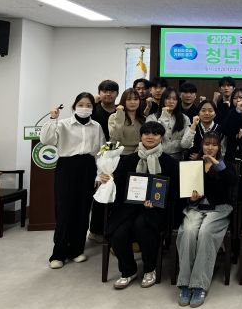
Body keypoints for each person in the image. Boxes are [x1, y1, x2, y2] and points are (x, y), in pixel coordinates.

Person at [104, 121, 178, 290]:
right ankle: (128, 271)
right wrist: (108, 180)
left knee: (142, 226)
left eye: (155, 134)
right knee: (118, 232)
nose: (150, 137)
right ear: (141, 136)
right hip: (129, 208)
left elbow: (174, 192)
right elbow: (119, 186)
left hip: (157, 210)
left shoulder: (170, 163)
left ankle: (149, 269)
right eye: (146, 133)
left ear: (161, 138)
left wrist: (157, 202)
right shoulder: (128, 160)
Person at [40, 92, 105, 269]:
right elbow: (46, 140)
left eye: (89, 105)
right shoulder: (63, 124)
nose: (85, 108)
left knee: (83, 210)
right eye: (81, 104)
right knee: (64, 210)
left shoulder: (96, 126)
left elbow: (101, 151)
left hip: (88, 168)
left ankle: (76, 250)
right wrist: (53, 119)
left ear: (93, 108)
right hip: (67, 167)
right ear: (74, 106)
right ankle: (58, 254)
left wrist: (99, 174)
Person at [176, 132, 238, 307]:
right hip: (196, 208)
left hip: (218, 210)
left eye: (214, 145)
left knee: (205, 232)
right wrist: (192, 199)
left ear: (219, 147)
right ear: (201, 145)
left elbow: (232, 182)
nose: (210, 147)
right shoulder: (193, 165)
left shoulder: (225, 166)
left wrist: (217, 165)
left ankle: (199, 285)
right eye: (207, 144)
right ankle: (184, 283)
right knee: (188, 231)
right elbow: (186, 193)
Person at [89, 79, 119, 241]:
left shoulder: (120, 110)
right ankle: (95, 231)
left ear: (117, 94)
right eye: (105, 91)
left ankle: (112, 230)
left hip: (117, 155)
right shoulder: (93, 109)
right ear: (99, 93)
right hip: (97, 155)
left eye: (112, 91)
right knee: (99, 192)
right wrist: (93, 102)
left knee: (114, 193)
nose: (108, 94)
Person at [146, 87, 196, 160]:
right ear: (163, 100)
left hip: (178, 158)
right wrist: (163, 118)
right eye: (168, 98)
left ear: (178, 101)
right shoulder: (152, 118)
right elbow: (151, 140)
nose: (171, 101)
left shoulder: (185, 118)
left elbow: (185, 145)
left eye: (174, 99)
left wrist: (193, 127)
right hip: (157, 157)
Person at [109, 88, 147, 154]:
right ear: (124, 101)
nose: (132, 102)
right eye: (129, 99)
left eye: (135, 99)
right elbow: (116, 137)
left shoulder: (143, 118)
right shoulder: (114, 117)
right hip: (117, 153)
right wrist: (120, 114)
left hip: (138, 153)